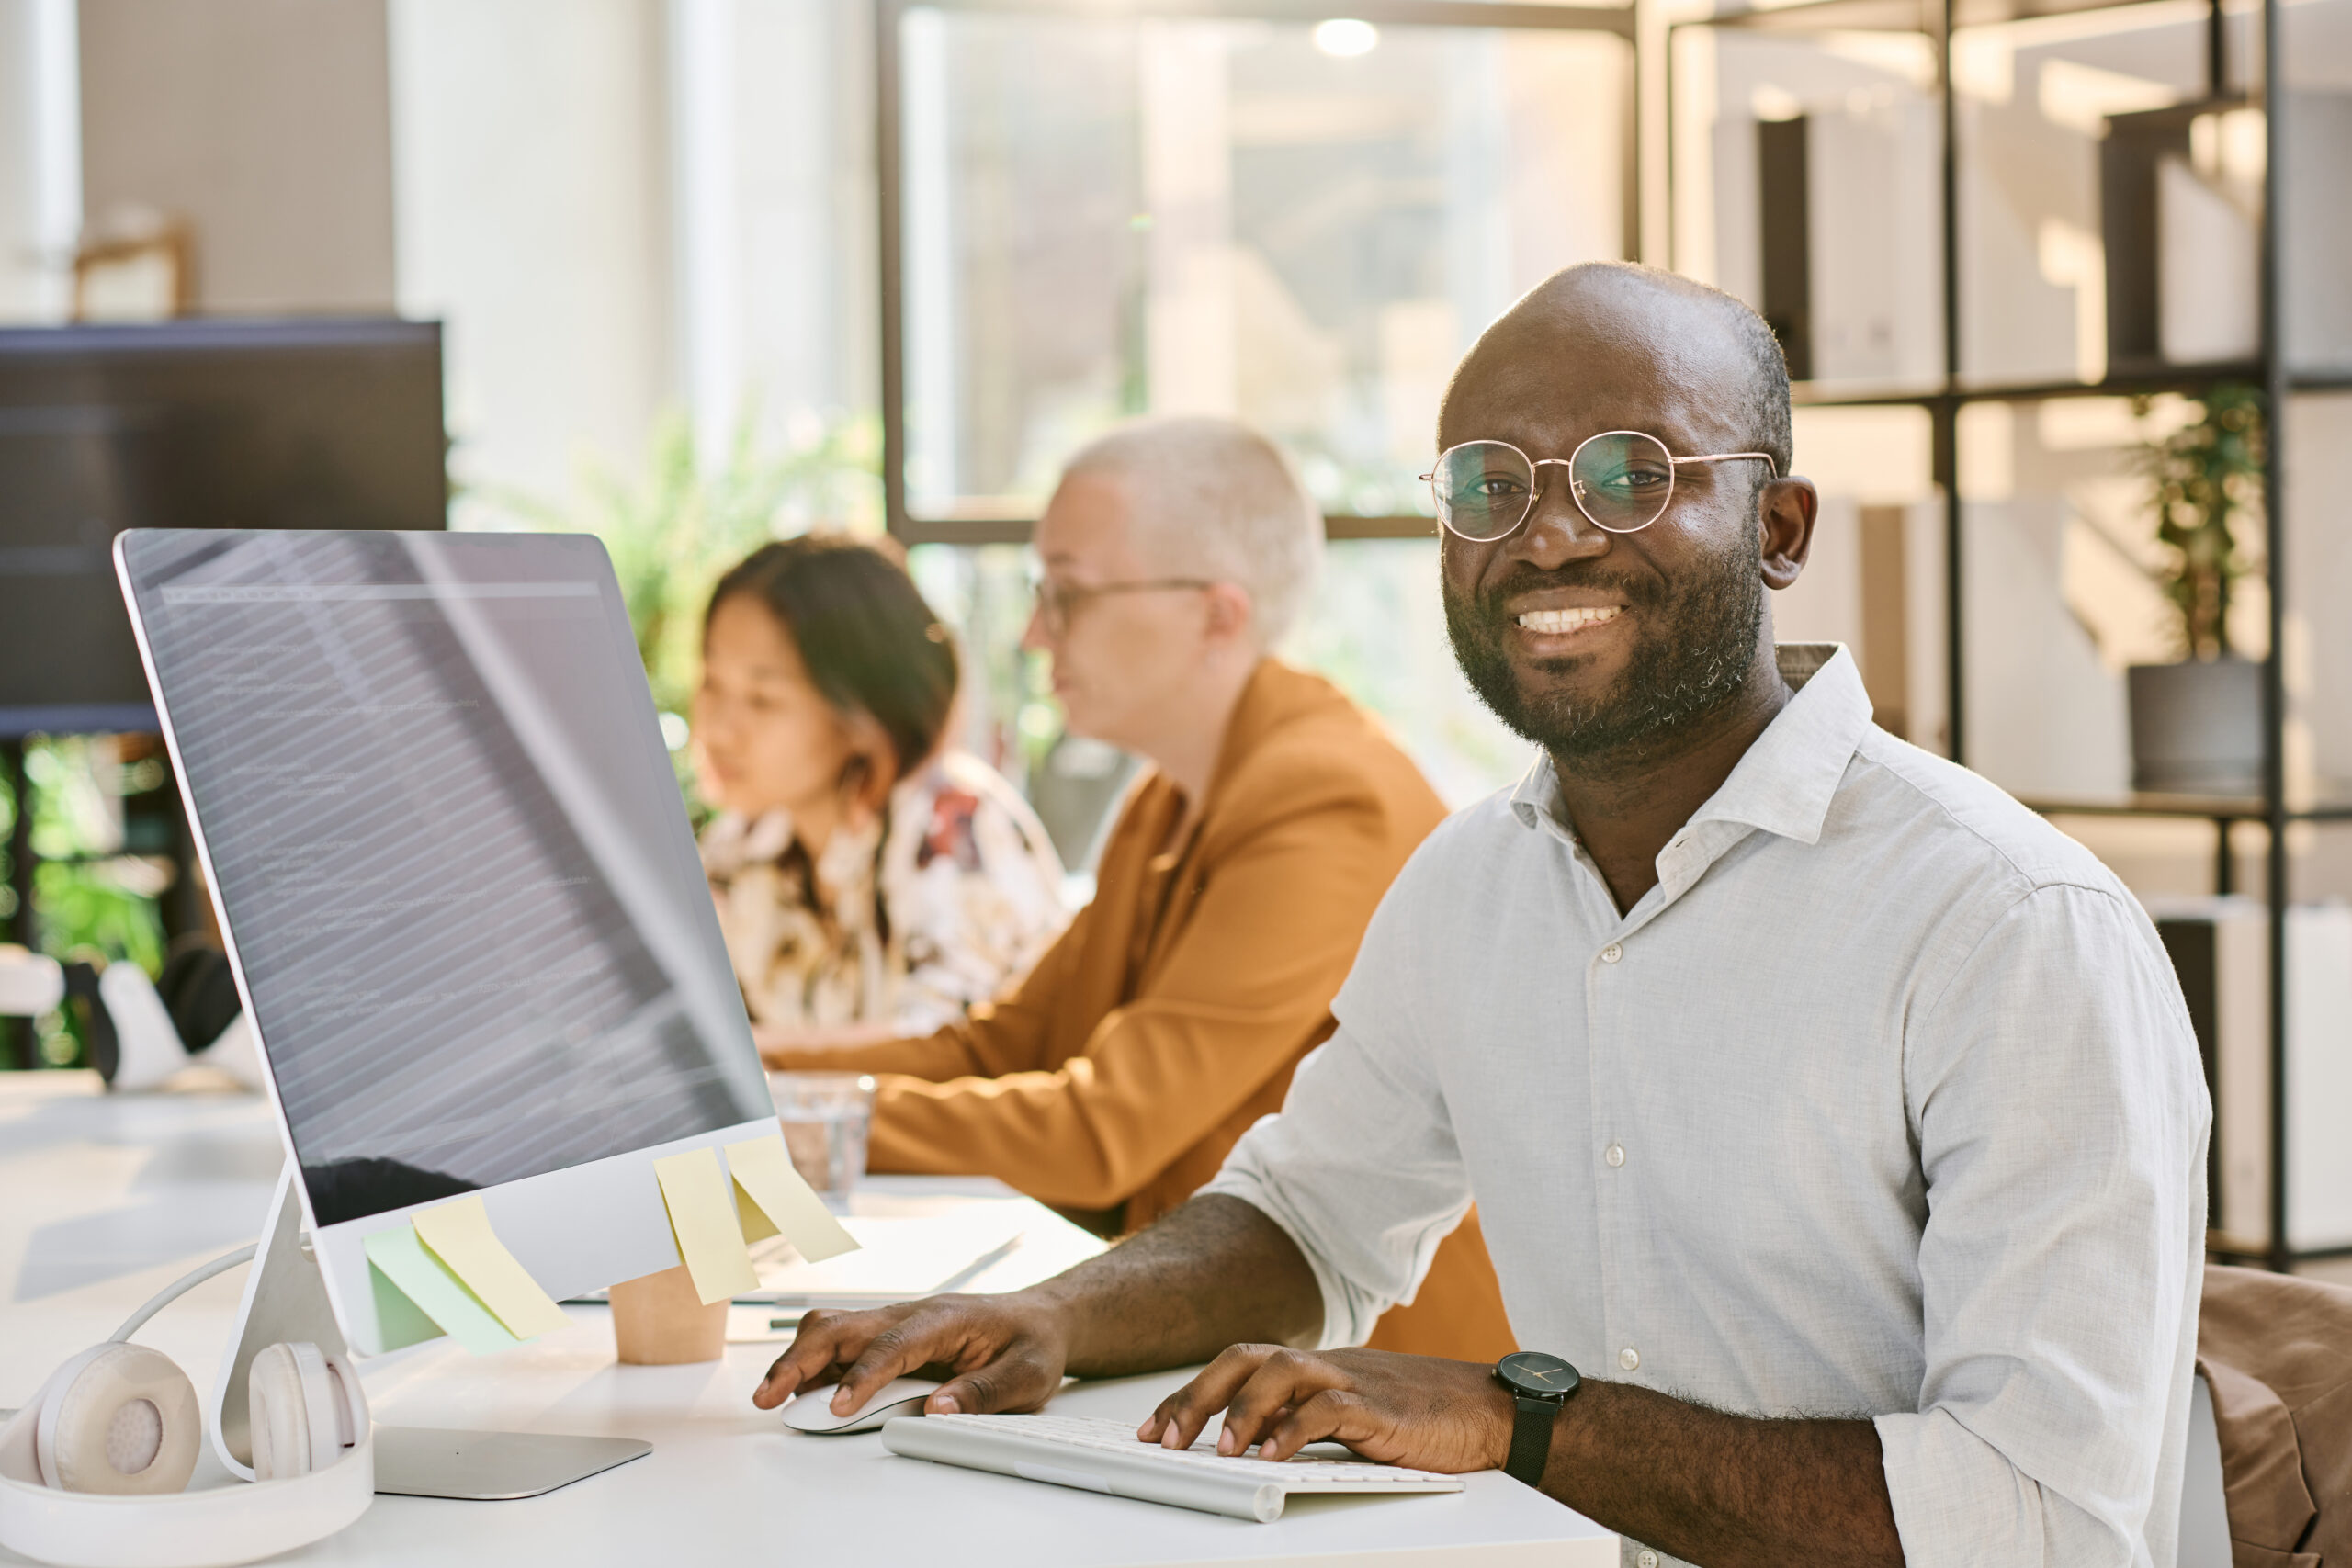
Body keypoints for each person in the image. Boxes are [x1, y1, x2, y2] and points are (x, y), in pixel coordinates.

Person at [752, 266, 2211, 1568]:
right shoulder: (1472, 885)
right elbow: (1309, 1217)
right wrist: (1060, 1315)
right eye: (1487, 485)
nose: (1549, 536)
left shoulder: (2012, 927)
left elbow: (2043, 1521)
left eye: (1631, 475)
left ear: (1778, 527)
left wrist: (1524, 1414)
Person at [766, 416, 1516, 1361]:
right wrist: (753, 1071)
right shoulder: (1170, 795)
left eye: (1067, 594)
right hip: (1212, 1353)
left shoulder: (1329, 801)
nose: (1036, 632)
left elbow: (1100, 1129)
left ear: (1216, 614)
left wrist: (788, 1126)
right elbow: (1000, 1045)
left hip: (1371, 1391)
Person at [693, 536, 1067, 1049]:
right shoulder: (740, 844)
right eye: (711, 682)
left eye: (762, 699)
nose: (718, 729)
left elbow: (949, 1049)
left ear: (860, 713)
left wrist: (740, 1058)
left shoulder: (952, 823)